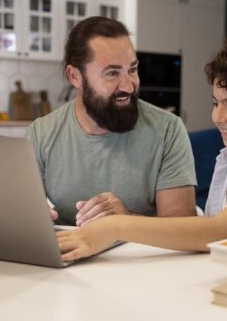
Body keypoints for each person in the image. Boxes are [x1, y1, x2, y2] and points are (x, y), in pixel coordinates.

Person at [57, 28, 227, 261]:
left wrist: (118, 226)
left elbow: (223, 231)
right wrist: (129, 216)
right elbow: (206, 227)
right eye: (216, 103)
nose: (217, 116)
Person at [26, 16, 197, 226]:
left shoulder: (168, 130)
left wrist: (124, 221)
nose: (127, 86)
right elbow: (19, 215)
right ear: (75, 76)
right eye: (112, 73)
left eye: (132, 70)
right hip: (70, 255)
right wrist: (28, 217)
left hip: (142, 257)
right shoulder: (40, 134)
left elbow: (184, 227)